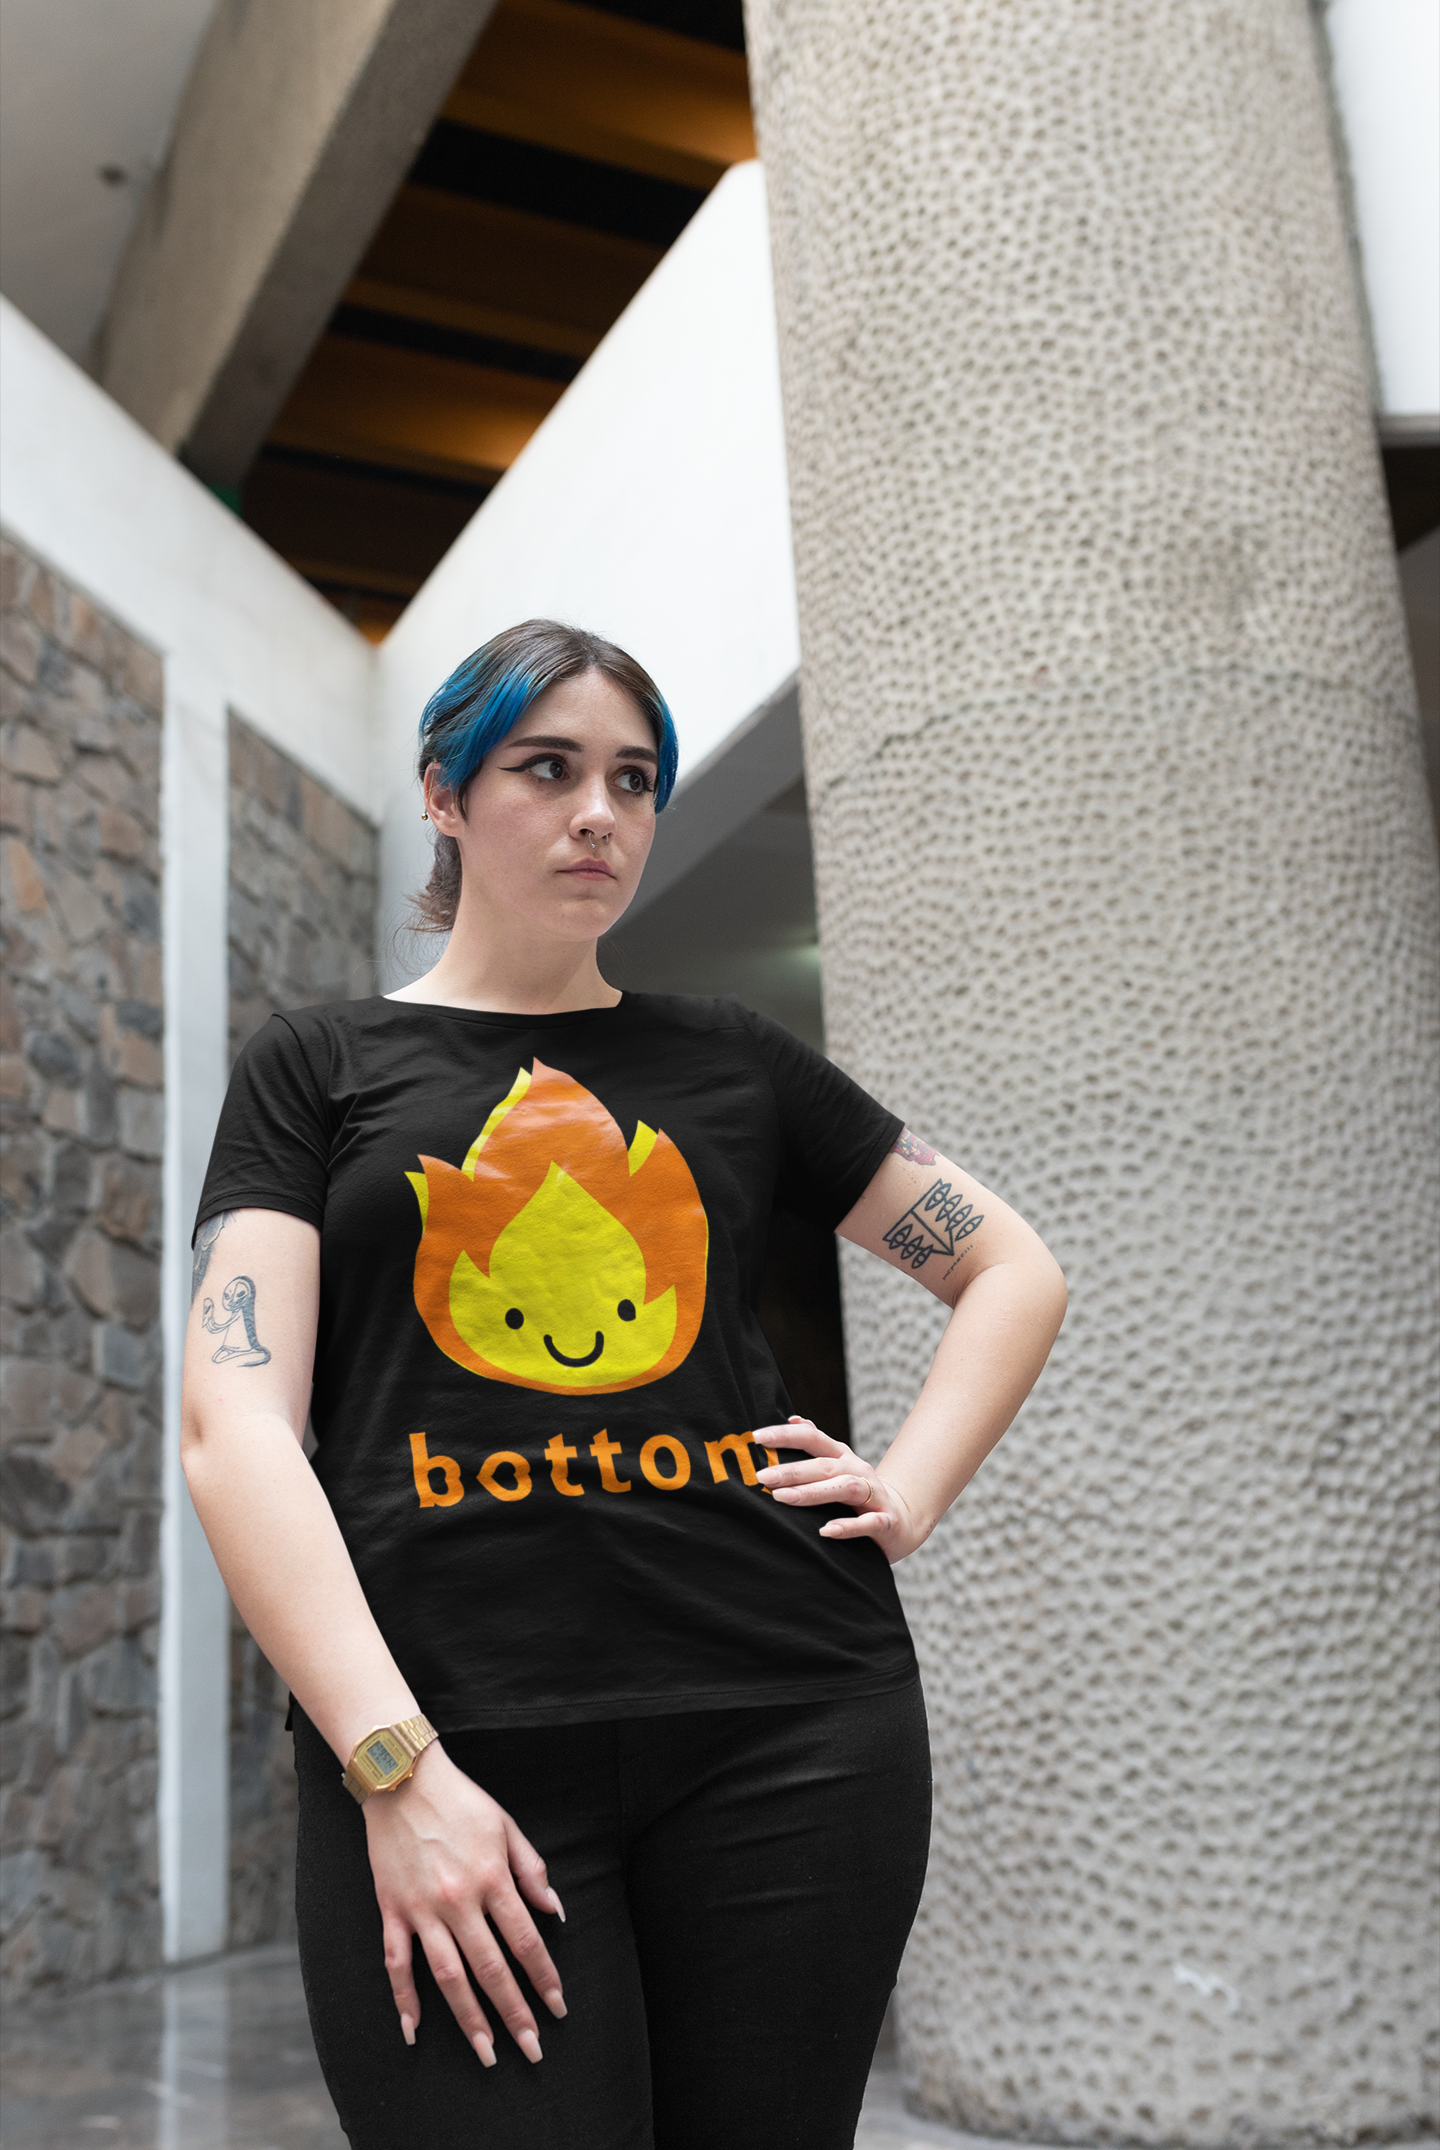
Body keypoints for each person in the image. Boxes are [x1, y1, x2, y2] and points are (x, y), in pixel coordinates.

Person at [182, 619, 1066, 2150]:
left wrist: (909, 1487)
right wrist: (394, 1766)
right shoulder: (317, 1067)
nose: (600, 811)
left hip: (791, 1724)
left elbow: (1010, 1266)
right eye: (548, 768)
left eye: (635, 779)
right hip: (447, 1733)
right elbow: (233, 1424)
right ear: (445, 793)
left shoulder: (736, 1062)